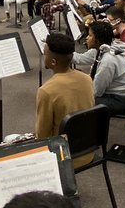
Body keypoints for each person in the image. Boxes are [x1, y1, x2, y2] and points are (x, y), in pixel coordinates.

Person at [35, 32, 98, 169]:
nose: (43, 56)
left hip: (63, 156)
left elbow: (42, 136)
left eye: (45, 53)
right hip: (88, 150)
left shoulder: (46, 91)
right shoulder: (87, 79)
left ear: (53, 61)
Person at [72, 21, 125, 117]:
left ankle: (89, 130)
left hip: (119, 100)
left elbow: (97, 91)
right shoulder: (102, 48)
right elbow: (80, 59)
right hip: (114, 94)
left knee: (78, 101)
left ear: (97, 40)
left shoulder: (108, 60)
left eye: (90, 35)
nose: (86, 38)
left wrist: (81, 81)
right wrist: (63, 50)